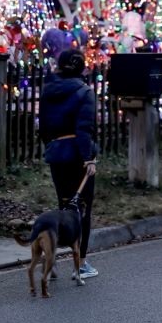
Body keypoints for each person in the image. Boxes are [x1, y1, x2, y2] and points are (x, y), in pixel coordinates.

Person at [39, 48, 99, 279]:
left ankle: (51, 258)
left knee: (63, 207)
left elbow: (43, 127)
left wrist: (51, 146)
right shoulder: (84, 92)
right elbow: (84, 129)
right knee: (81, 211)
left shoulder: (48, 91)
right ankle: (80, 264)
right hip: (78, 156)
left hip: (57, 154)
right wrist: (88, 158)